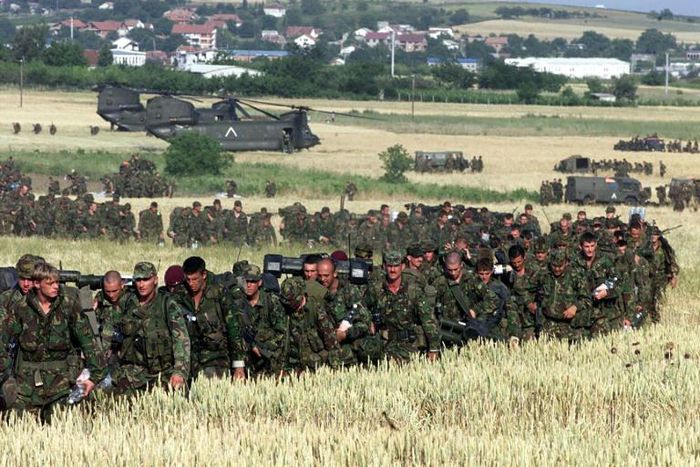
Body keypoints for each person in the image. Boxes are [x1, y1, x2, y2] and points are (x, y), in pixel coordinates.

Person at [0, 262, 106, 421]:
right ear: (37, 284)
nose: (56, 286)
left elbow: (88, 342)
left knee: (64, 424)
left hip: (61, 385)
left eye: (57, 282)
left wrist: (94, 377)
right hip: (26, 386)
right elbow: (2, 341)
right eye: (50, 283)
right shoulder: (20, 308)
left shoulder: (68, 305)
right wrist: (6, 376)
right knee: (15, 423)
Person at [111, 262, 190, 394]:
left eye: (146, 279)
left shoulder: (167, 304)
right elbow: (109, 332)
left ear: (155, 280)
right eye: (138, 280)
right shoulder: (126, 302)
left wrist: (179, 371)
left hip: (162, 373)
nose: (141, 284)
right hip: (133, 374)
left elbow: (181, 340)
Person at [176, 256, 245, 380]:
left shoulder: (219, 292)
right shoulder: (180, 293)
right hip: (189, 360)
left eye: (195, 279)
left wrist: (239, 366)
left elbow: (234, 329)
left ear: (204, 275)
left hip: (216, 359)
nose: (191, 283)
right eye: (188, 279)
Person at [365, 251, 440, 362]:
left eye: (396, 266)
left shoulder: (413, 290)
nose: (392, 270)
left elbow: (428, 320)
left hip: (408, 343)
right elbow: (362, 308)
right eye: (389, 266)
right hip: (382, 341)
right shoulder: (376, 289)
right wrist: (369, 322)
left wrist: (433, 349)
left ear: (403, 266)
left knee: (391, 363)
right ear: (384, 267)